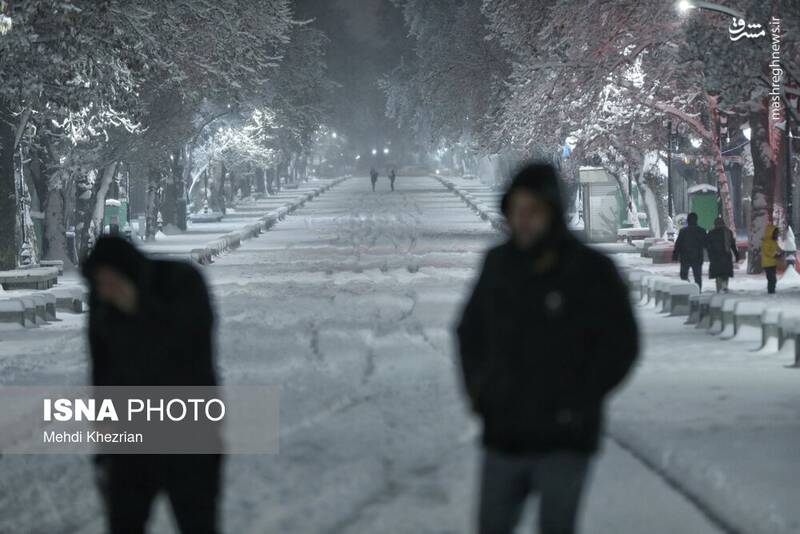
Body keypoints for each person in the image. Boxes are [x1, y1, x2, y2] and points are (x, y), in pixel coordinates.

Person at [456, 163, 638, 534]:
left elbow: (621, 344)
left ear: (553, 211)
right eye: (516, 211)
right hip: (504, 433)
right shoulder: (498, 265)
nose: (522, 221)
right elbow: (468, 332)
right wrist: (481, 392)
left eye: (533, 211)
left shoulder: (592, 271)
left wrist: (581, 398)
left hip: (565, 438)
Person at [82, 236, 221, 534]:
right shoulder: (103, 301)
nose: (104, 291)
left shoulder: (182, 282)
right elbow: (102, 369)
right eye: (98, 283)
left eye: (109, 282)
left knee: (197, 523)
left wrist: (138, 307)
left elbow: (189, 348)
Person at [672, 212, 707, 289]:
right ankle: (697, 291)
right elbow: (706, 244)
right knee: (697, 277)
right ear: (696, 220)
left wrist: (675, 255)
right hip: (697, 257)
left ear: (688, 220)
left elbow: (678, 244)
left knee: (683, 276)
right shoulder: (701, 231)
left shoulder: (683, 231)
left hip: (685, 258)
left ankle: (686, 290)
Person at [706, 217, 739, 293]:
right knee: (725, 274)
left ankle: (719, 289)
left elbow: (708, 246)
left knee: (718, 275)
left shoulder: (711, 233)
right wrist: (736, 255)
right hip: (726, 257)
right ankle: (725, 287)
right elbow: (732, 245)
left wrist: (710, 256)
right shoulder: (728, 232)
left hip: (715, 258)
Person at [761, 224, 781, 294]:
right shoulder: (766, 241)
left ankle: (772, 290)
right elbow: (766, 251)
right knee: (771, 278)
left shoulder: (774, 241)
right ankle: (771, 291)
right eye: (776, 233)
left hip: (773, 263)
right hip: (767, 264)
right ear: (771, 232)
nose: (777, 235)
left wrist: (781, 251)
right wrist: (774, 254)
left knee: (773, 278)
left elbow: (777, 248)